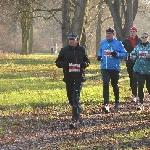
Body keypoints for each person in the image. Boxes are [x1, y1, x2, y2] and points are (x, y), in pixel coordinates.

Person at [55, 32, 90, 129]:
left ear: (77, 40)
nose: (71, 41)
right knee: (71, 98)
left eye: (73, 40)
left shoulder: (81, 49)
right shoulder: (64, 50)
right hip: (68, 77)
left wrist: (84, 64)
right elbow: (57, 62)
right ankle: (77, 108)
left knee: (76, 98)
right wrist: (63, 64)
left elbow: (87, 61)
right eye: (70, 40)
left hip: (79, 77)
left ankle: (74, 120)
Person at [97, 27, 127, 113]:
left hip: (114, 68)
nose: (108, 35)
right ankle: (106, 104)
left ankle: (117, 102)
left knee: (114, 85)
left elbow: (124, 53)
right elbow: (100, 51)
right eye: (107, 33)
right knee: (105, 84)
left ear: (113, 34)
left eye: (109, 34)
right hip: (104, 67)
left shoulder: (118, 43)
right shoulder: (103, 42)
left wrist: (116, 54)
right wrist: (99, 56)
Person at [130, 32, 150, 111]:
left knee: (148, 87)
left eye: (145, 37)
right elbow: (132, 54)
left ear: (147, 38)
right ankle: (141, 103)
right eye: (142, 37)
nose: (144, 38)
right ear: (141, 38)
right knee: (140, 86)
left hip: (148, 70)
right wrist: (133, 56)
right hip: (139, 70)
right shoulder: (138, 47)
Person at [122, 26, 141, 102]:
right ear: (129, 33)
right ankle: (134, 93)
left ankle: (135, 95)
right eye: (131, 32)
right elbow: (122, 50)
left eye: (134, 31)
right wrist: (125, 56)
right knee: (132, 77)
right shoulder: (126, 41)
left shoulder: (139, 40)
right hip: (129, 62)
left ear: (136, 32)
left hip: (139, 62)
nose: (132, 33)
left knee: (136, 77)